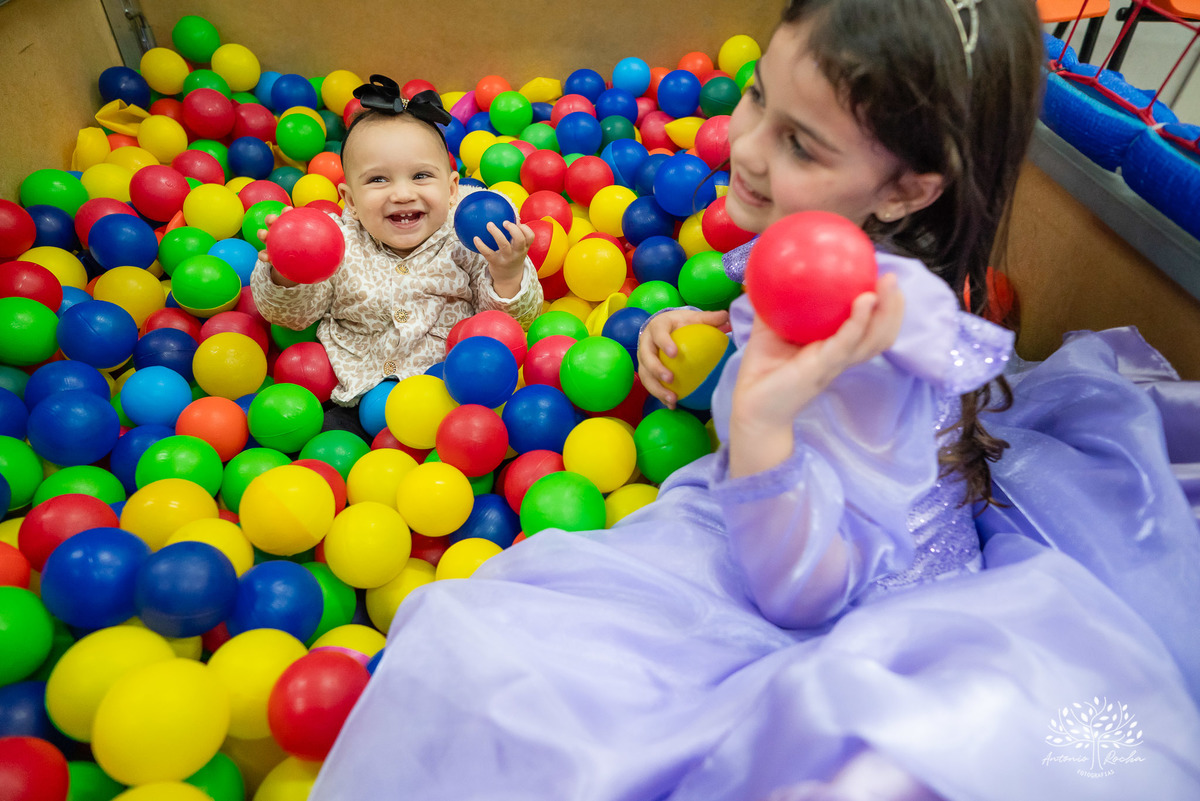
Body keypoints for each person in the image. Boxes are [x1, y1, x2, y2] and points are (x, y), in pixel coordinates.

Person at [311, 1, 1200, 799]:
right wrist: (711, 327)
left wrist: (760, 424)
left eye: (801, 143)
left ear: (907, 188)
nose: (745, 146)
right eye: (755, 96)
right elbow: (768, 311)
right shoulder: (825, 245)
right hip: (785, 513)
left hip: (841, 590)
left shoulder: (868, 361)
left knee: (495, 672)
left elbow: (808, 595)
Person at [251, 76, 543, 439]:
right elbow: (294, 316)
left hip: (452, 393)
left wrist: (507, 271)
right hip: (356, 396)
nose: (403, 193)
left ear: (452, 189)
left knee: (493, 437)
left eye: (421, 176)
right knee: (323, 442)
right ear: (351, 200)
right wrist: (288, 272)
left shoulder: (468, 238)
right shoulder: (334, 242)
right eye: (378, 180)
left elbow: (511, 324)